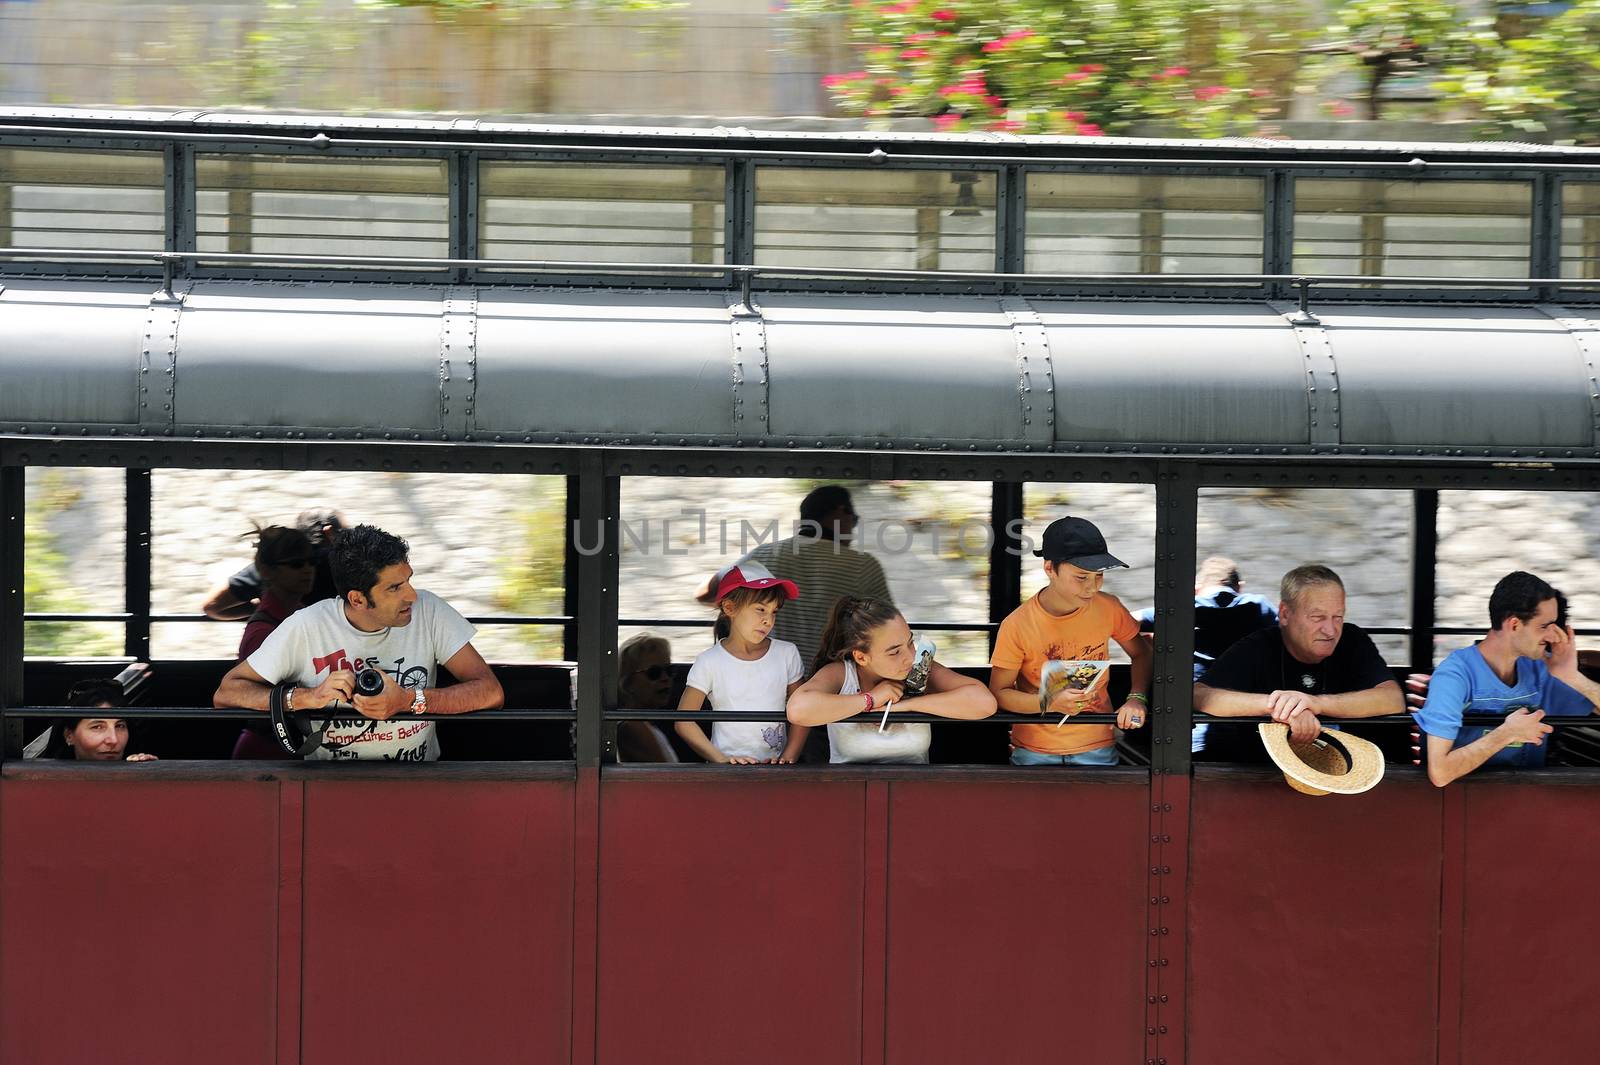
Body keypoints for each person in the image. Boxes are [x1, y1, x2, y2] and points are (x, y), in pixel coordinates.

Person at [213, 524, 503, 761]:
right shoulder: (306, 626)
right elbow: (227, 693)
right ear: (358, 599)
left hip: (418, 783)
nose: (412, 595)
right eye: (395, 587)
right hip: (331, 789)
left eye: (409, 580)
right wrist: (307, 698)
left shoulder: (429, 611)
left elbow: (490, 692)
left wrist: (409, 700)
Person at [1193, 564, 1404, 762]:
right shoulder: (1258, 646)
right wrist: (1282, 707)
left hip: (1346, 773)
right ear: (1285, 614)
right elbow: (1200, 695)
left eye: (1338, 617)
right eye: (1317, 617)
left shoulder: (1353, 640)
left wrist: (1316, 703)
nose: (1330, 630)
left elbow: (1392, 698)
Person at [988, 516, 1152, 766]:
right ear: (1049, 569)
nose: (1093, 587)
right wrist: (1050, 702)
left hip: (1098, 744)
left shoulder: (1109, 608)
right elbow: (999, 694)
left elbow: (1142, 653)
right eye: (1081, 577)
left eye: (1099, 576)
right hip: (1034, 750)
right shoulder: (1017, 624)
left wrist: (1136, 698)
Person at [1414, 571, 1600, 786]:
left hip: (1525, 804)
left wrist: (1572, 677)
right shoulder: (1455, 675)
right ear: (1514, 625)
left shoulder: (1540, 670)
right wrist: (1507, 733)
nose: (1552, 636)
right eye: (1544, 626)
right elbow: (1440, 772)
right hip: (1463, 806)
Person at [694, 485, 892, 669]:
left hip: (771, 679)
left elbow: (704, 593)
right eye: (854, 520)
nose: (852, 531)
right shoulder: (862, 565)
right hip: (833, 687)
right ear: (840, 512)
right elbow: (888, 628)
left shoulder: (762, 555)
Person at [787, 597, 995, 763]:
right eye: (894, 652)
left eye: (910, 643)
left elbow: (984, 703)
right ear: (861, 657)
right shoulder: (842, 674)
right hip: (849, 793)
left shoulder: (919, 668)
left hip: (914, 792)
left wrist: (905, 705)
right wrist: (871, 699)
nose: (910, 656)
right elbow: (798, 710)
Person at [1136, 556, 1280, 753]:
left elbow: (1128, 621)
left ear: (1197, 587)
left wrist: (1152, 645)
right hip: (1251, 730)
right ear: (1240, 586)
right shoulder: (1260, 606)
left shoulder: (1183, 609)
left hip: (1190, 731)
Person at [675, 563, 809, 764]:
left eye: (774, 611)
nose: (768, 620)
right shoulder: (709, 661)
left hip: (775, 772)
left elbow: (803, 712)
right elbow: (684, 721)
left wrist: (787, 759)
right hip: (726, 776)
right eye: (760, 609)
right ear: (729, 607)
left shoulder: (787, 653)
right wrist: (722, 760)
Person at [201, 508, 344, 621]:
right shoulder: (350, 566)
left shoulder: (277, 566)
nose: (308, 569)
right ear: (329, 533)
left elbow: (213, 607)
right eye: (298, 564)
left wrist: (265, 609)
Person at [238, 525, 317, 659]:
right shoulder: (261, 635)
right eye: (296, 564)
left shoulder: (303, 615)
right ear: (267, 571)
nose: (308, 569)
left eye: (312, 562)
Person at [35, 679, 158, 762]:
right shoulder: (46, 780)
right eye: (97, 727)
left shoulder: (134, 772)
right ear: (69, 735)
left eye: (120, 726)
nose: (113, 740)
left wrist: (148, 773)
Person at [616, 632, 680, 763]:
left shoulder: (640, 723)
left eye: (669, 670)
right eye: (654, 673)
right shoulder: (633, 727)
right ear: (628, 682)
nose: (665, 678)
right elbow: (668, 778)